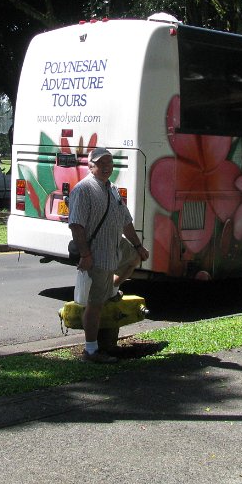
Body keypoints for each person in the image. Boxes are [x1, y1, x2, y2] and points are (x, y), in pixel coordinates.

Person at [68, 147, 149, 363]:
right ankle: (91, 351)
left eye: (110, 164)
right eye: (101, 163)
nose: (106, 167)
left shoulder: (112, 188)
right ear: (90, 165)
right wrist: (86, 255)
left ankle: (113, 288)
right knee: (95, 304)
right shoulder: (83, 189)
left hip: (116, 246)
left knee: (133, 258)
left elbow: (125, 221)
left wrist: (138, 246)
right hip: (98, 253)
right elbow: (76, 226)